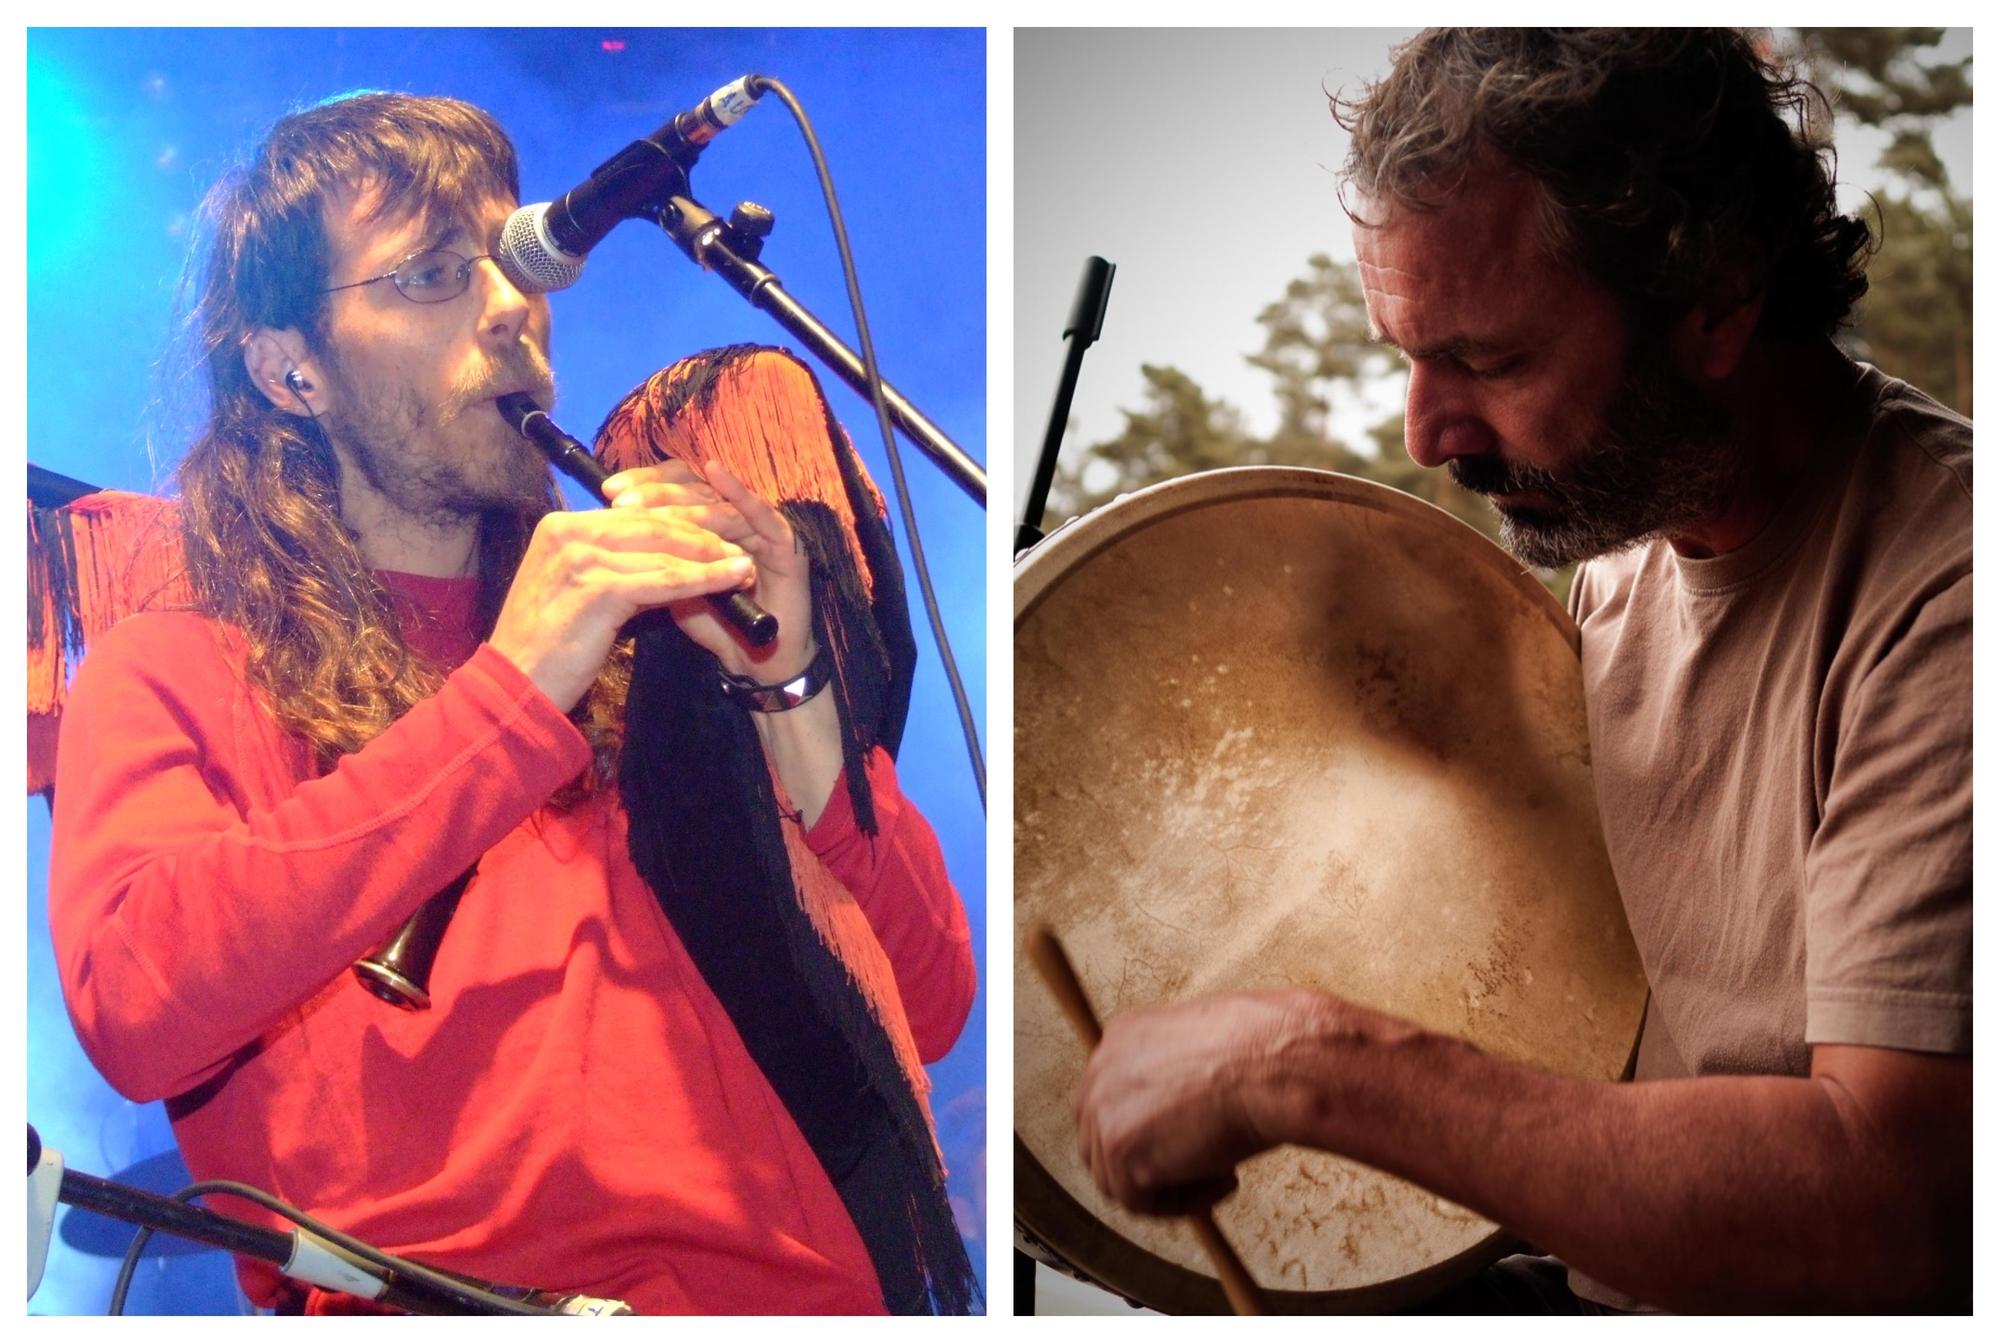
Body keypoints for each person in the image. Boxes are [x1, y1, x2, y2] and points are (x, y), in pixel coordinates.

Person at [1073, 29, 1969, 1313]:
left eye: (1490, 361)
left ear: (1715, 299)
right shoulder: (1614, 570)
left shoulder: (1946, 591)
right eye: (1407, 357)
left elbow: (1894, 1206)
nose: (1426, 433)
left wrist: (1308, 1064)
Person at [48, 92, 978, 1315]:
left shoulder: (663, 645)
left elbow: (932, 1002)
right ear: (291, 367)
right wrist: (508, 694)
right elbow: (135, 1000)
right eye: (431, 274)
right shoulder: (180, 662)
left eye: (510, 260)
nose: (507, 309)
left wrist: (796, 695)